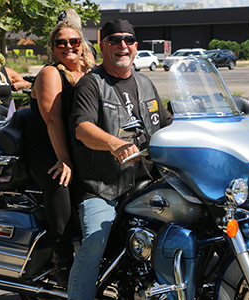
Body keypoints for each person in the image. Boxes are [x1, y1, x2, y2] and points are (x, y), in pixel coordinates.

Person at [67, 19, 172, 299]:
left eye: (128, 40)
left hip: (148, 182)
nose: (122, 45)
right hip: (103, 187)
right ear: (103, 46)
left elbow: (166, 124)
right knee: (95, 240)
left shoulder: (146, 83)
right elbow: (82, 129)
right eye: (115, 40)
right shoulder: (92, 83)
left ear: (136, 46)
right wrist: (114, 143)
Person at [20, 19, 92, 286]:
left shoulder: (88, 70)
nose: (68, 47)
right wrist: (64, 159)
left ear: (82, 44)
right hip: (47, 146)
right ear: (52, 48)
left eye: (73, 41)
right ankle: (64, 262)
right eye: (61, 43)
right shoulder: (51, 73)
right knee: (60, 182)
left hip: (75, 144)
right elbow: (53, 121)